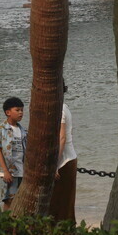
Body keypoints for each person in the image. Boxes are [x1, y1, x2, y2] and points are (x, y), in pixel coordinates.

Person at [0, 97, 26, 210]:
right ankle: (7, 224)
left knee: (21, 200)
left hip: (22, 171)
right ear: (8, 112)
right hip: (9, 171)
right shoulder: (1, 129)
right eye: (17, 110)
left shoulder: (23, 130)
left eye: (22, 110)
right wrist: (5, 171)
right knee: (9, 200)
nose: (21, 113)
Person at [49, 80, 78, 221]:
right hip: (67, 159)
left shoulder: (60, 109)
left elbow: (62, 138)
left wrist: (55, 165)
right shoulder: (64, 107)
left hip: (64, 161)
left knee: (61, 202)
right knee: (64, 202)